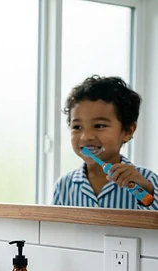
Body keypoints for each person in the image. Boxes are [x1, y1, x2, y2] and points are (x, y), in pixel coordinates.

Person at [52, 75, 158, 210]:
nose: (86, 136)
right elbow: (53, 230)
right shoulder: (64, 186)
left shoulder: (146, 180)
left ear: (127, 131)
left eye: (99, 126)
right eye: (77, 127)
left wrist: (147, 192)